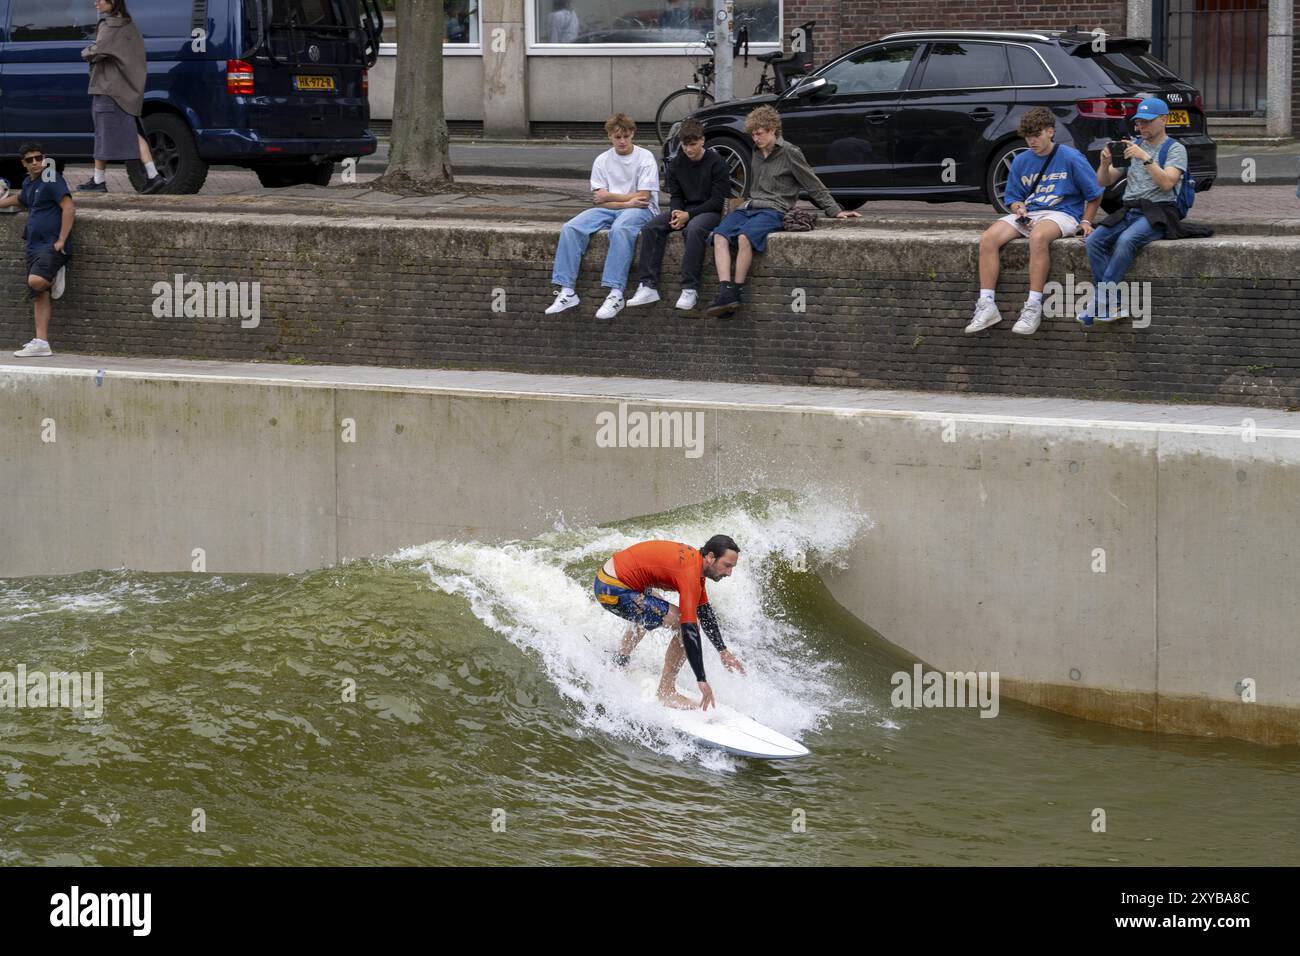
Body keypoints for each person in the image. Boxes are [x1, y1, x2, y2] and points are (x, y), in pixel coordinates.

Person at [707, 105, 859, 318]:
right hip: (751, 206)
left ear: (772, 130)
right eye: (752, 134)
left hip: (775, 209)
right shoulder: (755, 152)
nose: (755, 138)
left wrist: (835, 210)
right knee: (720, 235)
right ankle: (725, 291)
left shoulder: (790, 152)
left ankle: (736, 290)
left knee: (744, 237)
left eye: (759, 133)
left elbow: (812, 183)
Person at [965, 107, 1103, 336]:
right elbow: (1013, 197)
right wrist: (1019, 209)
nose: (1031, 141)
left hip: (1063, 213)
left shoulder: (1071, 157)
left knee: (1039, 236)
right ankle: (987, 304)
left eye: (1036, 135)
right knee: (988, 238)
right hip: (1032, 213)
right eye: (1027, 136)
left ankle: (1033, 305)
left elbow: (1095, 193)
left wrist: (1086, 221)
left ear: (1050, 132)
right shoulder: (1021, 161)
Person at [1081, 97, 1211, 324]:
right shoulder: (1133, 146)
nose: (1141, 127)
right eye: (1139, 122)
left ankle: (1101, 300)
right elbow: (1104, 181)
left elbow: (1168, 183)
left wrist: (1146, 158)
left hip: (1160, 211)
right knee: (1094, 241)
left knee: (1126, 241)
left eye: (1147, 122)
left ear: (1163, 119)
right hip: (1131, 209)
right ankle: (1114, 302)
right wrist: (1103, 163)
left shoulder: (1175, 149)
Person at [593, 536, 747, 710]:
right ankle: (666, 692)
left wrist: (723, 651)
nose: (729, 573)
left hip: (609, 580)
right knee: (680, 623)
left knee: (652, 607)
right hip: (612, 589)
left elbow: (704, 611)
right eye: (727, 566)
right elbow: (689, 629)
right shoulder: (690, 572)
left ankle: (620, 660)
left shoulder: (695, 563)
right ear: (711, 557)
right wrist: (701, 680)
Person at [545, 113, 659, 320]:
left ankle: (616, 293)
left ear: (633, 134)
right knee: (571, 227)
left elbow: (644, 197)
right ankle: (567, 291)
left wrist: (613, 197)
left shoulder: (645, 157)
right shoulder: (602, 160)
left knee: (621, 229)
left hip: (641, 210)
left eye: (626, 136)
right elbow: (600, 200)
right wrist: (625, 201)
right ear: (610, 137)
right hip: (613, 208)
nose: (622, 141)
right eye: (617, 137)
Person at [626, 119, 729, 311]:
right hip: (685, 209)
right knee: (651, 227)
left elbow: (717, 201)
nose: (689, 149)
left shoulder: (717, 163)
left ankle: (690, 288)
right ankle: (648, 285)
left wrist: (688, 216)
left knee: (694, 229)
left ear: (702, 141)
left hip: (709, 212)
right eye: (685, 145)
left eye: (693, 144)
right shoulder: (677, 163)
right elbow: (676, 195)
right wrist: (676, 212)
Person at [78, 0, 166, 194]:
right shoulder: (129, 25)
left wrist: (86, 51)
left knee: (102, 133)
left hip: (109, 88)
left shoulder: (110, 25)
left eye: (100, 0)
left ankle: (99, 181)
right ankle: (153, 176)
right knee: (134, 133)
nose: (95, 3)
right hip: (126, 90)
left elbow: (98, 50)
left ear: (112, 2)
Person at [0, 144, 75, 357]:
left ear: (44, 158)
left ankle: (54, 274)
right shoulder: (29, 183)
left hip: (51, 245)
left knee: (36, 281)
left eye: (38, 157)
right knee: (39, 294)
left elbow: (68, 207)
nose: (35, 162)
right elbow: (21, 199)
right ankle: (42, 342)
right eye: (30, 159)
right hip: (33, 246)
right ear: (23, 163)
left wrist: (61, 240)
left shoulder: (52, 179)